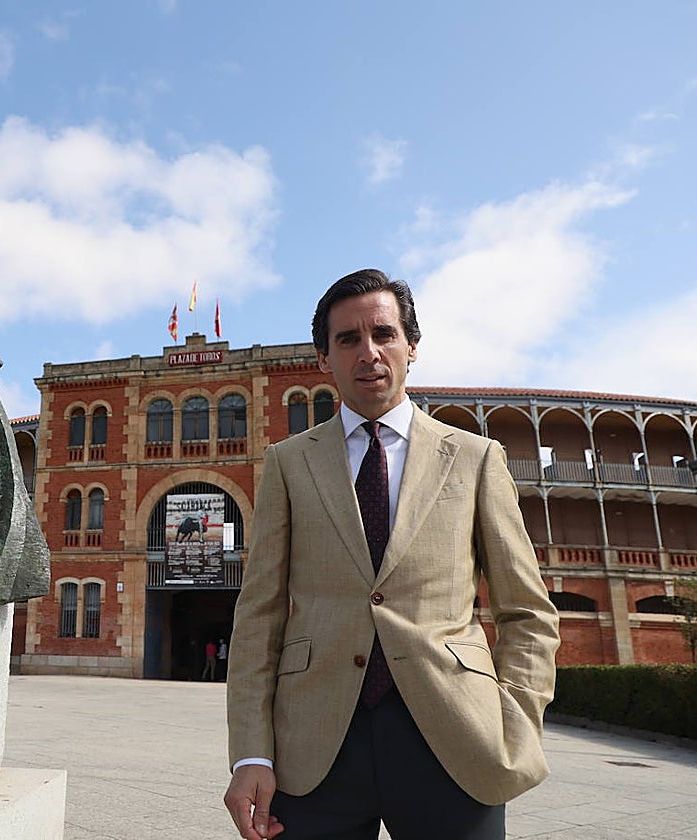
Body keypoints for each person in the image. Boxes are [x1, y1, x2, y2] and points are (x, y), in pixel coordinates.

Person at [223, 269, 559, 839]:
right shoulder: (287, 463)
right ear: (324, 359)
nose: (369, 352)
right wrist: (251, 754)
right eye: (348, 339)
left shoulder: (475, 458)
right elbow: (260, 616)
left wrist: (515, 719)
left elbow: (526, 610)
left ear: (412, 346)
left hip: (456, 739)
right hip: (313, 748)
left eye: (383, 334)